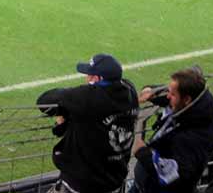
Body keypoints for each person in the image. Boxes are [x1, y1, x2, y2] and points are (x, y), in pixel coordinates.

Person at [37, 53, 139, 193]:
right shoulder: (130, 91)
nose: (86, 78)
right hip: (114, 181)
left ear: (96, 79)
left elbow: (44, 101)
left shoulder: (87, 97)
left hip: (81, 184)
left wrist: (70, 102)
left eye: (89, 75)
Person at [130, 67, 213, 193]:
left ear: (187, 99)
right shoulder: (197, 103)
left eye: (172, 94)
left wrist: (143, 154)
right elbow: (176, 97)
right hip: (144, 185)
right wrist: (153, 93)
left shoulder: (191, 139)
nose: (167, 96)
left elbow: (175, 178)